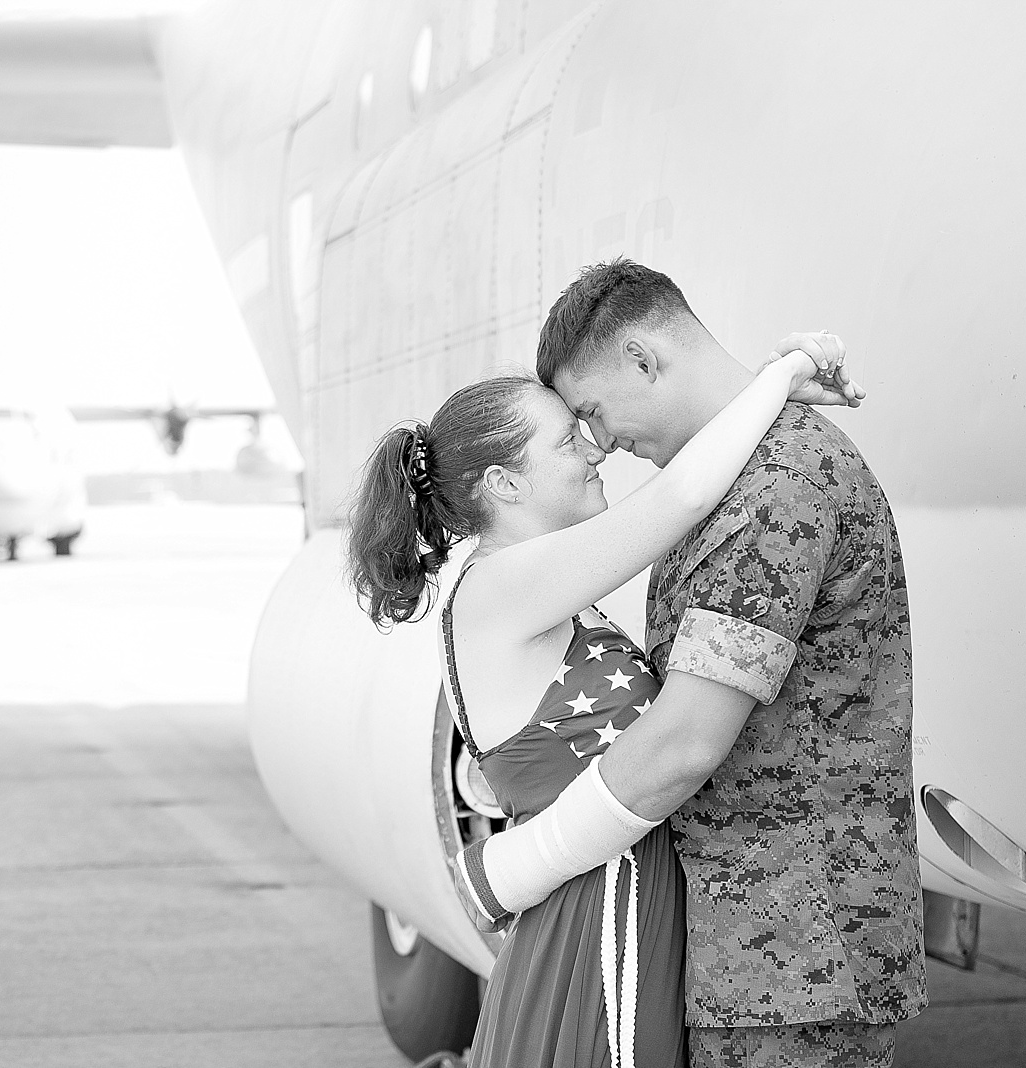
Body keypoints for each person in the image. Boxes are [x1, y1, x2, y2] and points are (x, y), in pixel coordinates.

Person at [346, 332, 858, 1068]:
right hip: (600, 922)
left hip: (607, 905)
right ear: (504, 482)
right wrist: (783, 374)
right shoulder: (499, 588)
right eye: (566, 440)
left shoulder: (533, 591)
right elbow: (682, 496)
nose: (596, 449)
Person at [465, 258, 926, 1068]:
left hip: (790, 954)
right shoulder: (740, 476)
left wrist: (508, 869)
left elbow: (681, 745)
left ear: (643, 359)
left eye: (593, 411)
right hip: (762, 946)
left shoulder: (772, 490)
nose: (601, 443)